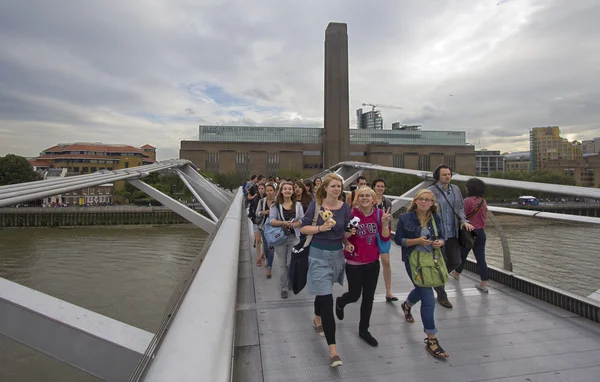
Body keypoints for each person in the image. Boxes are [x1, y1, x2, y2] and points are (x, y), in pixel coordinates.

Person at [300, 173, 351, 368]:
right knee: (327, 299)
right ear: (326, 188)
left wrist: (348, 238)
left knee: (323, 294)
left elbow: (343, 232)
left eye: (339, 186)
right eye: (333, 186)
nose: (336, 189)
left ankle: (316, 318)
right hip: (318, 255)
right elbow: (304, 228)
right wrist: (321, 228)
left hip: (337, 256)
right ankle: (333, 351)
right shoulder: (316, 205)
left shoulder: (345, 207)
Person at [395, 189, 449, 359]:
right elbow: (398, 240)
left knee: (422, 289)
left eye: (428, 200)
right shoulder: (405, 218)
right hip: (414, 261)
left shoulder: (436, 218)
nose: (424, 202)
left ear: (432, 203)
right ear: (415, 201)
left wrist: (441, 242)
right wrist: (417, 241)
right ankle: (432, 339)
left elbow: (441, 236)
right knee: (427, 296)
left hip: (431, 261)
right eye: (421, 199)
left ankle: (407, 305)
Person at [337, 186, 391, 347]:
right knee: (354, 295)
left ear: (373, 199)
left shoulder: (380, 215)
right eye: (361, 196)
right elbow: (342, 237)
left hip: (372, 263)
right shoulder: (351, 215)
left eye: (368, 195)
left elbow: (385, 238)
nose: (365, 198)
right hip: (354, 262)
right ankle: (341, 301)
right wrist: (347, 239)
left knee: (368, 297)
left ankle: (364, 330)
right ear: (357, 199)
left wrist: (385, 225)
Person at [428, 165, 474, 309]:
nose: (447, 177)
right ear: (437, 176)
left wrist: (464, 221)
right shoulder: (431, 191)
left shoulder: (455, 189)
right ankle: (442, 296)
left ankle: (437, 281)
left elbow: (460, 208)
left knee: (455, 261)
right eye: (444, 175)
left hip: (453, 231)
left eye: (449, 174)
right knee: (441, 262)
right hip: (439, 233)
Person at [451, 178, 490, 293]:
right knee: (481, 259)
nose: (466, 188)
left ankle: (456, 273)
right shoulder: (483, 201)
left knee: (462, 255)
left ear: (470, 188)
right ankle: (483, 283)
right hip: (481, 232)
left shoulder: (467, 201)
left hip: (469, 232)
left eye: (467, 186)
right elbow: (485, 217)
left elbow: (461, 216)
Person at [269, 181, 304, 299]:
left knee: (291, 263)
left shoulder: (298, 205)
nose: (288, 191)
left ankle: (289, 281)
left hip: (294, 237)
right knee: (282, 264)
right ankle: (283, 288)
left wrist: (295, 224)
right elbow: (271, 221)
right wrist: (283, 223)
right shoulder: (275, 205)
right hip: (280, 238)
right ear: (282, 191)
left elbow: (302, 220)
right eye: (285, 189)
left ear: (293, 191)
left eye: (290, 188)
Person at [371, 178, 397, 302]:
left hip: (383, 232)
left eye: (382, 186)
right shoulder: (368, 200)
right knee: (370, 262)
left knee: (386, 261)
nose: (380, 188)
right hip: (370, 233)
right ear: (374, 187)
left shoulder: (387, 202)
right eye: (378, 186)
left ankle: (388, 291)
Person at [257, 182, 277, 279]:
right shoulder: (262, 201)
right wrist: (264, 212)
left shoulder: (278, 202)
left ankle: (269, 267)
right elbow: (257, 213)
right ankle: (268, 260)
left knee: (271, 247)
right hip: (263, 227)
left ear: (274, 191)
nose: (269, 192)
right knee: (265, 247)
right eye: (267, 190)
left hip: (273, 229)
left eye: (271, 190)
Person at [251, 183, 266, 266]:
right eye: (259, 188)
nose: (261, 190)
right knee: (258, 239)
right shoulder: (255, 198)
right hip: (256, 221)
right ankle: (259, 257)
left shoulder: (267, 199)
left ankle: (263, 253)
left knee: (264, 239)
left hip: (264, 222)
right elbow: (252, 209)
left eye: (262, 188)